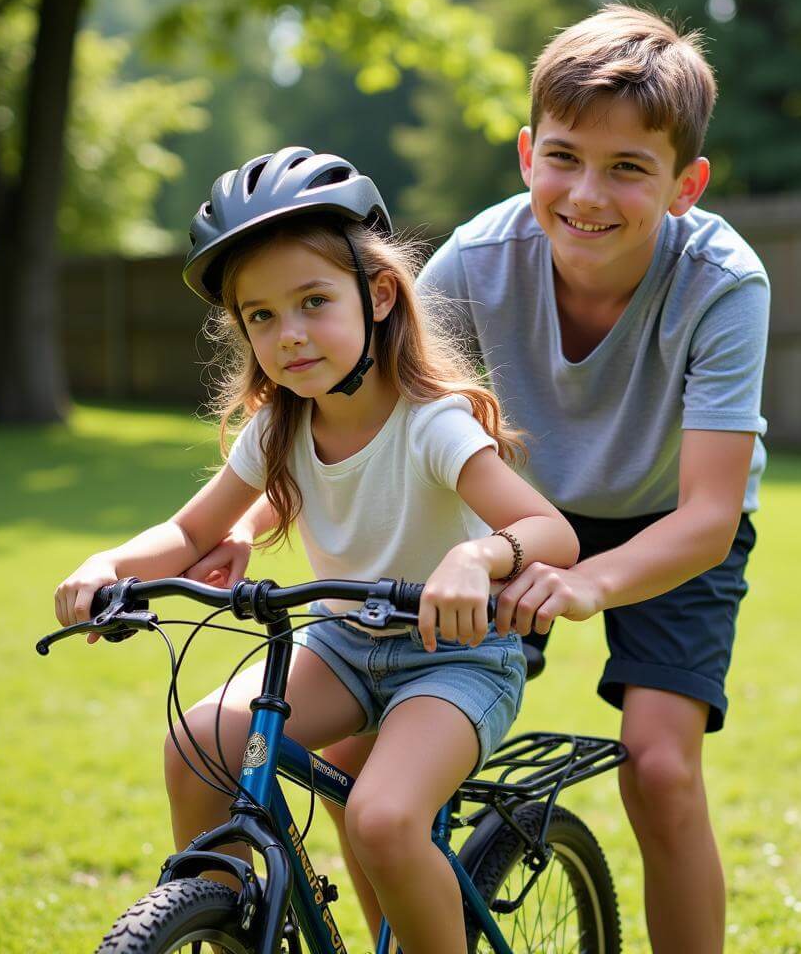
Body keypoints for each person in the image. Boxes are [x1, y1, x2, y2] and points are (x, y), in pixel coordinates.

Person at [299, 4, 768, 953]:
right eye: (564, 156)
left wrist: (590, 581)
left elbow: (713, 513)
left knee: (662, 769)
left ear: (686, 184)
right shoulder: (471, 266)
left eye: (628, 167)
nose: (587, 192)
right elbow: (378, 427)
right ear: (526, 155)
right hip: (512, 512)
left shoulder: (724, 283)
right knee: (357, 755)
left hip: (667, 521)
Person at [53, 146, 579, 954]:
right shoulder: (280, 426)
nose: (289, 335)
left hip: (458, 658)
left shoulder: (430, 420)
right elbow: (191, 532)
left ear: (375, 296)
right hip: (340, 644)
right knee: (200, 745)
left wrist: (477, 560)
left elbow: (552, 533)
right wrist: (107, 567)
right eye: (261, 316)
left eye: (311, 301)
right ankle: (224, 924)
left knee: (383, 815)